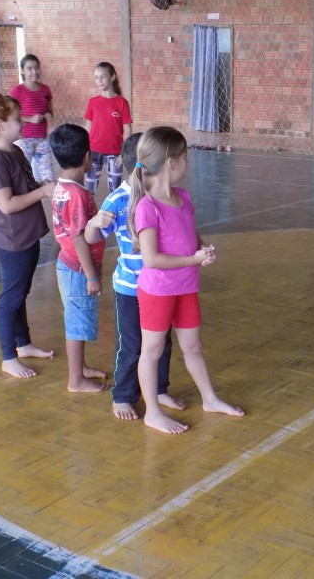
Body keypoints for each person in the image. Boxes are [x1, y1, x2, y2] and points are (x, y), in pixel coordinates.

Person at [127, 126, 243, 434]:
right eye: (184, 157)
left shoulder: (183, 198)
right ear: (170, 163)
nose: (187, 163)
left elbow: (189, 233)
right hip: (158, 292)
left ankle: (210, 399)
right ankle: (152, 412)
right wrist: (193, 259)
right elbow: (152, 259)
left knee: (192, 345)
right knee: (152, 350)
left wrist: (202, 250)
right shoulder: (147, 207)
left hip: (186, 287)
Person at [85, 132, 184, 419]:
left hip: (161, 286)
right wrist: (93, 223)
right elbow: (91, 237)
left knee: (162, 341)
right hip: (130, 288)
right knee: (131, 344)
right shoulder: (118, 200)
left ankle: (159, 389)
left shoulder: (162, 196)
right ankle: (123, 395)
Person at [0, 93, 56, 378]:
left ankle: (23, 343)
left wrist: (42, 184)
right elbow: (7, 204)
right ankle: (8, 357)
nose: (23, 124)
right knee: (11, 299)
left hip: (26, 235)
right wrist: (43, 192)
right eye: (17, 119)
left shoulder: (15, 151)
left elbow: (23, 187)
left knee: (20, 294)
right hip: (13, 241)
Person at [48, 123, 109, 393]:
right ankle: (76, 380)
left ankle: (80, 368)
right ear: (87, 157)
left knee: (78, 317)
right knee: (76, 323)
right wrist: (91, 275)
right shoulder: (78, 194)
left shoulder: (62, 186)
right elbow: (78, 238)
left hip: (70, 264)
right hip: (78, 269)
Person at [83, 62, 132, 194]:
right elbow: (88, 126)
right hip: (93, 150)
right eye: (96, 77)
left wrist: (123, 152)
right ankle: (88, 208)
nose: (99, 80)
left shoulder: (122, 102)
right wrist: (83, 147)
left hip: (115, 152)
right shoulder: (93, 102)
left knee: (115, 188)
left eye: (103, 76)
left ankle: (114, 208)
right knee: (89, 187)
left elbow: (127, 129)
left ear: (113, 77)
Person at [9, 54, 55, 184]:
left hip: (42, 139)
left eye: (36, 68)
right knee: (21, 173)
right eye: (29, 68)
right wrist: (30, 119)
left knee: (49, 175)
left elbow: (50, 110)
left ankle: (51, 195)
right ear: (22, 71)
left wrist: (49, 115)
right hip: (24, 139)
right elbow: (9, 115)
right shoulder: (17, 91)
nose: (34, 72)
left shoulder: (45, 90)